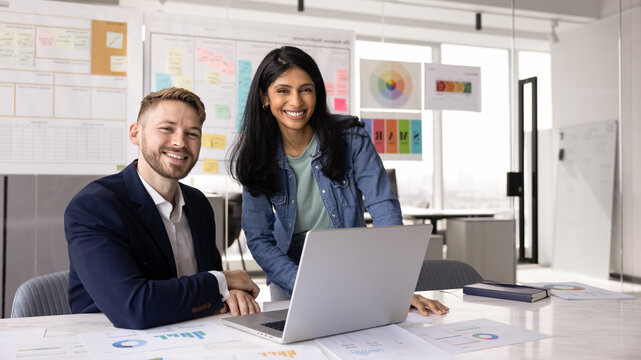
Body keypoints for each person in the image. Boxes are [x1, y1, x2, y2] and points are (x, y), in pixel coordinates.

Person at [229, 46, 449, 316]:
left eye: (306, 89)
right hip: (291, 275)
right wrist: (305, 283)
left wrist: (394, 285)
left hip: (353, 266)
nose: (296, 102)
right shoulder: (256, 154)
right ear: (265, 96)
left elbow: (383, 205)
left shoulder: (350, 136)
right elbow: (260, 238)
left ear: (317, 92)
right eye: (283, 90)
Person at [65, 87, 260, 330]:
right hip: (112, 344)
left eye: (192, 133)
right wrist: (223, 281)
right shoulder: (94, 207)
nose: (180, 142)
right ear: (136, 133)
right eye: (167, 129)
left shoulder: (198, 204)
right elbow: (134, 307)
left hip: (191, 337)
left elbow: (211, 286)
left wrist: (229, 292)